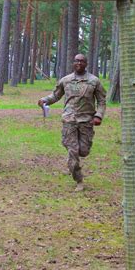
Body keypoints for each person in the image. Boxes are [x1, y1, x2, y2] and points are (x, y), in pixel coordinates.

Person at [38, 54, 106, 192]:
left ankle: (72, 159)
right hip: (69, 120)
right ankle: (79, 179)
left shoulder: (94, 81)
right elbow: (55, 95)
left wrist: (99, 115)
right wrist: (44, 100)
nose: (79, 63)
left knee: (84, 151)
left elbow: (102, 101)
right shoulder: (66, 80)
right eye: (76, 61)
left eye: (82, 61)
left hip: (86, 121)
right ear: (73, 63)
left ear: (86, 63)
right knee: (73, 151)